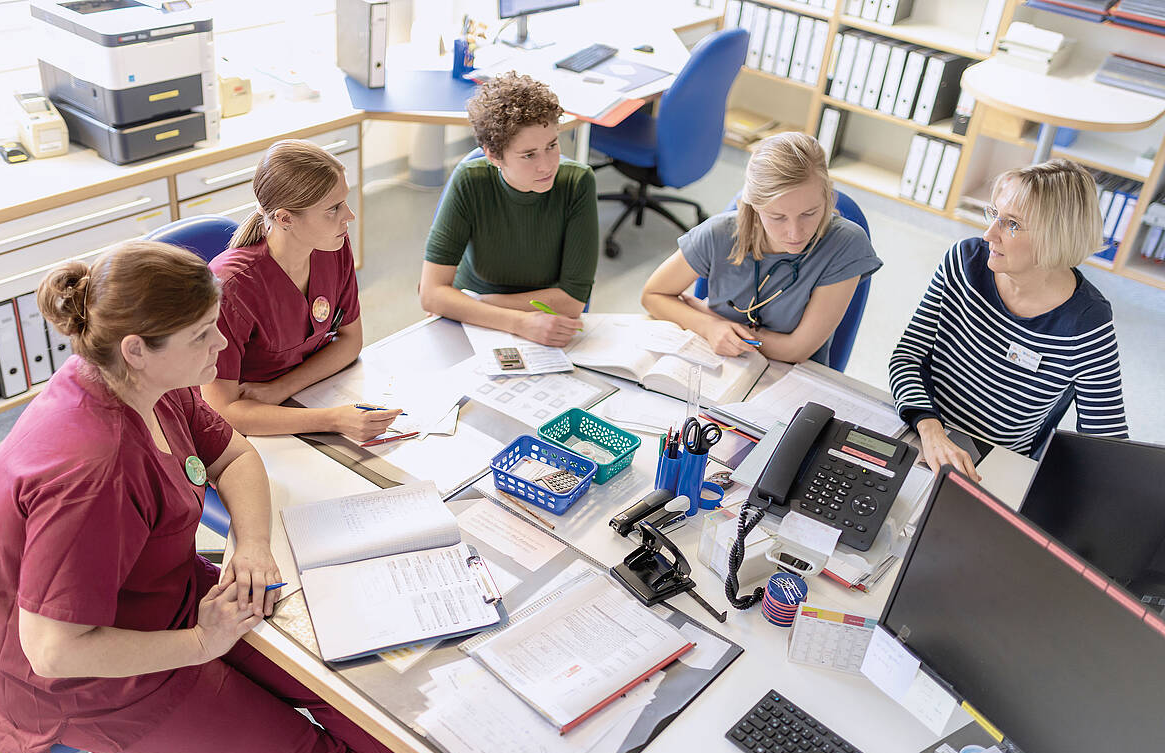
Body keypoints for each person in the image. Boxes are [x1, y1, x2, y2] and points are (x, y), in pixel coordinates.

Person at [0, 241, 431, 753]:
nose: (223, 344)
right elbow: (53, 650)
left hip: (171, 599)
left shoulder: (148, 384)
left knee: (358, 697)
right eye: (203, 334)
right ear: (136, 348)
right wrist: (199, 645)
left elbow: (234, 456)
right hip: (90, 679)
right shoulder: (93, 473)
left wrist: (252, 546)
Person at [889, 159, 1129, 479]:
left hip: (994, 466)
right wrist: (932, 432)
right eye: (994, 214)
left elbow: (1106, 442)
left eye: (1011, 224)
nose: (989, 234)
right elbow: (906, 357)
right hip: (920, 428)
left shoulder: (1086, 322)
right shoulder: (964, 262)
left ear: (1055, 236)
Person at [201, 139, 402, 441]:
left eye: (344, 201)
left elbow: (350, 341)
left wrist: (280, 388)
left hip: (302, 396)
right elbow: (223, 409)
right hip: (250, 429)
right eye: (333, 208)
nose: (349, 215)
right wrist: (332, 420)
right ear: (285, 219)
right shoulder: (232, 287)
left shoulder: (332, 245)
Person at [640, 132, 880, 363]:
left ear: (827, 197)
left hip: (792, 380)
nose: (795, 233)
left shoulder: (845, 245)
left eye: (809, 213)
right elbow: (653, 295)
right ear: (754, 205)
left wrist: (718, 320)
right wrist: (710, 326)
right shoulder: (720, 233)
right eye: (778, 217)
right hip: (716, 363)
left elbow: (795, 350)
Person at [420, 72, 598, 347]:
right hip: (478, 326)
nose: (547, 165)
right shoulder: (470, 180)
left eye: (552, 145)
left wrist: (472, 303)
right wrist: (518, 322)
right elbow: (431, 295)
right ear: (493, 155)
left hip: (527, 319)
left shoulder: (578, 183)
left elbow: (572, 301)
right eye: (529, 155)